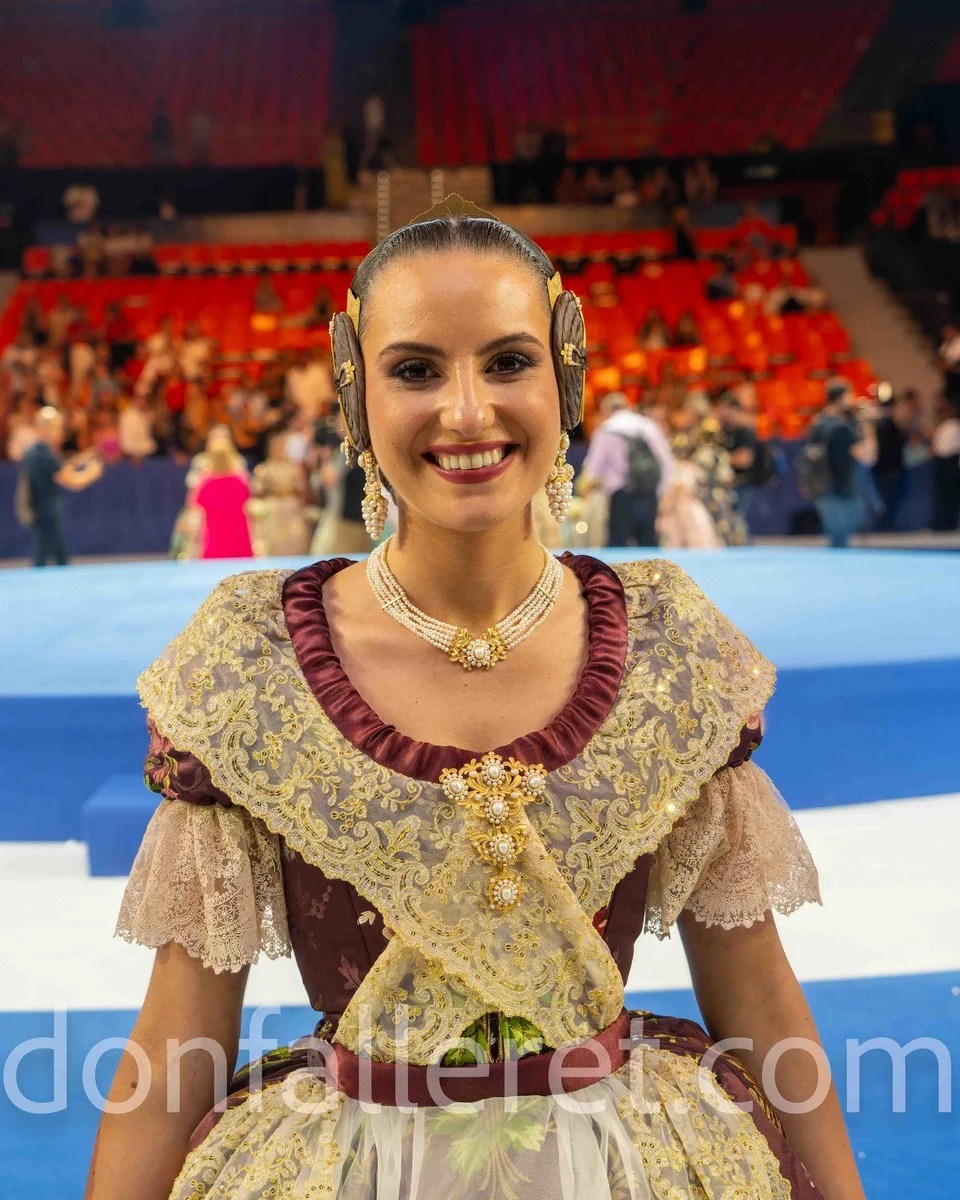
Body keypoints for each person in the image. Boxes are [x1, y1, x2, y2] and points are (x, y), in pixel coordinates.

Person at [87, 197, 864, 1200]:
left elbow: (756, 992)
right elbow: (180, 1038)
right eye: (416, 370)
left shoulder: (670, 650)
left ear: (564, 378)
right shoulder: (250, 665)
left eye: (508, 361)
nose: (466, 412)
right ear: (357, 394)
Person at [580, 391, 675, 547]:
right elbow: (666, 461)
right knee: (648, 545)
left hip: (621, 495)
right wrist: (661, 491)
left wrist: (587, 489)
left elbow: (593, 468)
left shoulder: (606, 430)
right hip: (647, 492)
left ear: (607, 410)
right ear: (628, 406)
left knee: (618, 545)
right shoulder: (647, 426)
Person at [19, 406, 103, 567]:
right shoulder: (42, 455)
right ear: (47, 429)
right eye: (57, 427)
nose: (60, 431)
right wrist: (92, 473)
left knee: (52, 553)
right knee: (51, 555)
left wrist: (82, 458)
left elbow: (61, 467)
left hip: (42, 510)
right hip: (47, 511)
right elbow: (70, 480)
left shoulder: (35, 452)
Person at [805, 382, 878, 549]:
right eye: (849, 396)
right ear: (840, 398)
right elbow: (868, 457)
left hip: (822, 487)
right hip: (841, 489)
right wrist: (867, 426)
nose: (852, 400)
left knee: (836, 540)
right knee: (841, 541)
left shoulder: (817, 423)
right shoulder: (841, 428)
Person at [189, 426, 254, 560]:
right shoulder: (239, 479)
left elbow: (197, 502)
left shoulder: (207, 482)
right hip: (237, 531)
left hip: (215, 533)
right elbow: (248, 498)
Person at [930, 393, 960, 531]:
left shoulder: (954, 426)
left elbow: (949, 447)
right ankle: (944, 523)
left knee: (950, 495)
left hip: (950, 463)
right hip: (941, 463)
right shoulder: (944, 426)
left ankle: (949, 523)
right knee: (943, 495)